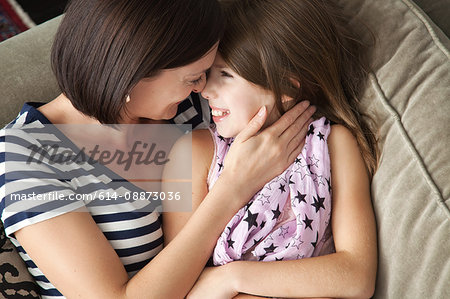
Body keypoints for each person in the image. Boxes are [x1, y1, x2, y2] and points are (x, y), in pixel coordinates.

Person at [0, 0, 315, 298]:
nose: (203, 87)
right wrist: (233, 188)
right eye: (193, 77)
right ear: (133, 71)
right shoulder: (25, 153)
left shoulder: (188, 111)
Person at [162, 0, 378, 298]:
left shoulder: (331, 146)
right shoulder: (195, 153)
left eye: (225, 75)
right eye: (207, 73)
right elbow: (178, 286)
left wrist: (232, 278)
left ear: (287, 86)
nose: (205, 90)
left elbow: (357, 278)